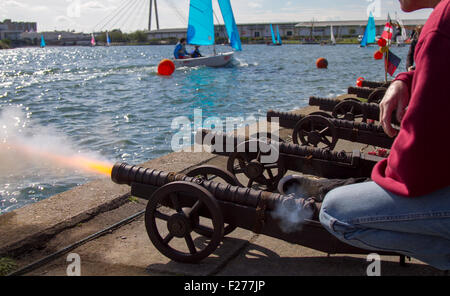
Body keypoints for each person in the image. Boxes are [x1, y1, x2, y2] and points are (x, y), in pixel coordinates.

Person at [317, 0, 450, 271]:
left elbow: (419, 157)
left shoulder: (441, 24)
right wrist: (406, 79)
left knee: (334, 211)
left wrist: (379, 175)